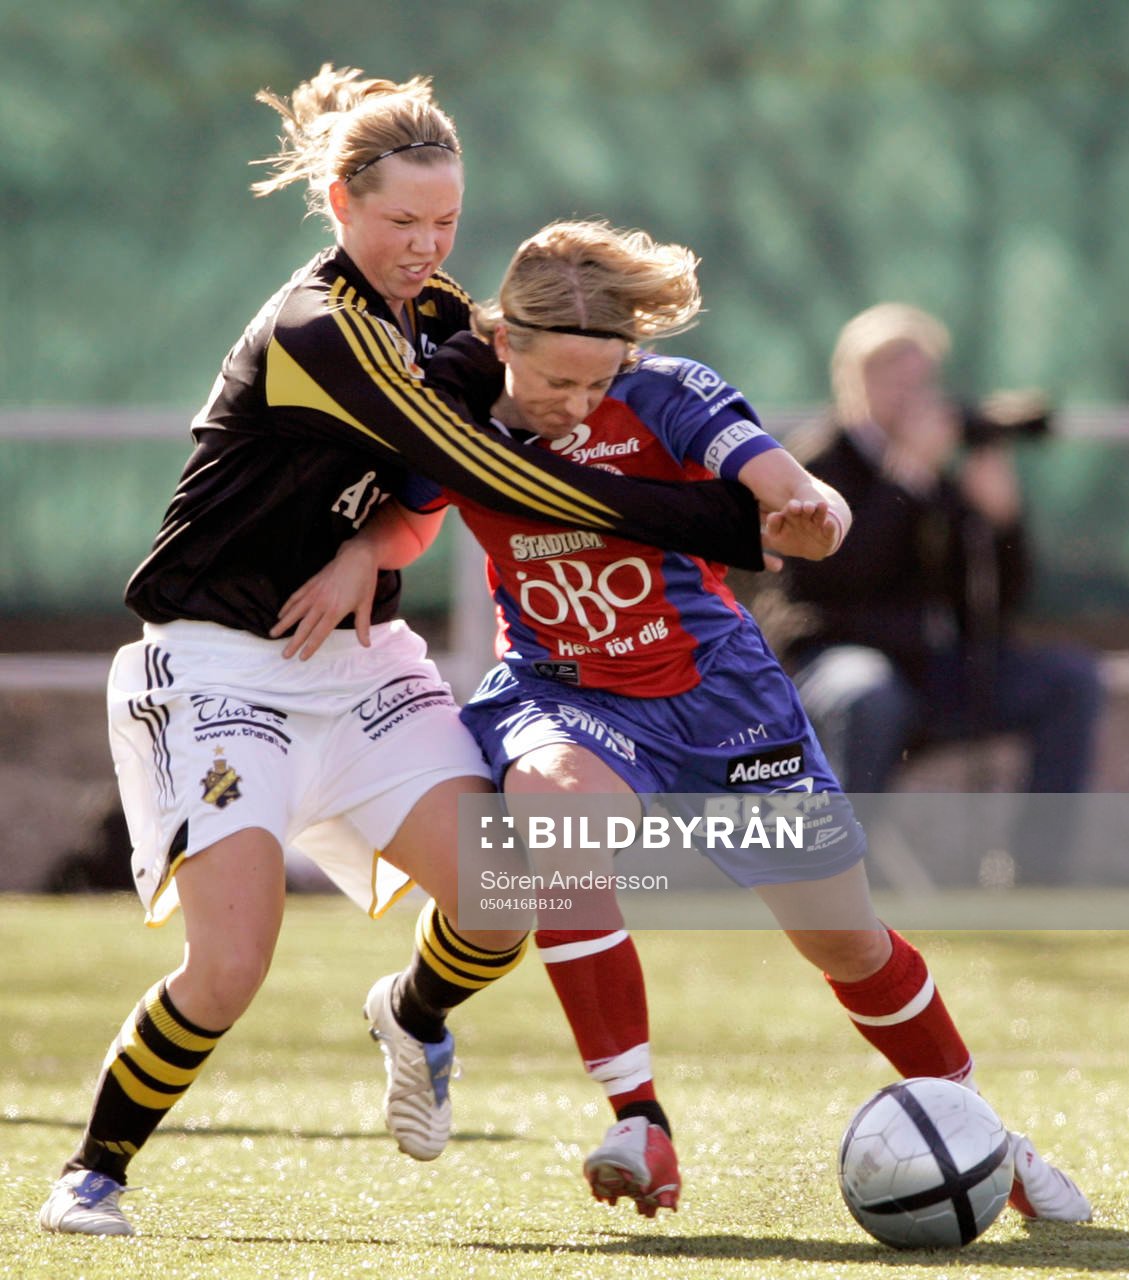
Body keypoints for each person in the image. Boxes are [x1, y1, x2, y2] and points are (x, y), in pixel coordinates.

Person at [37, 67, 772, 1240]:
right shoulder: (316, 328)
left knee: (506, 891)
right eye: (401, 222)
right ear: (340, 203)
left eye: (445, 222)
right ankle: (94, 1170)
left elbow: (471, 454)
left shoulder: (438, 319)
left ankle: (414, 1012)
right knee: (229, 967)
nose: (425, 246)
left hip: (360, 662)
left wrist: (365, 550)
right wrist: (728, 523)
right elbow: (482, 466)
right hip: (220, 670)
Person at [284, 222, 1092, 1225]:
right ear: (503, 341)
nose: (579, 404)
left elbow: (792, 489)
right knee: (555, 811)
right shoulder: (454, 413)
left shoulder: (670, 393)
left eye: (599, 381)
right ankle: (638, 1118)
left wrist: (813, 516)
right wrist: (364, 552)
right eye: (558, 381)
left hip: (722, 702)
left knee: (847, 942)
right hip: (564, 691)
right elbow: (410, 509)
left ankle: (991, 1141)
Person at [778, 303, 1104, 885]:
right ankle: (837, 876)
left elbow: (999, 597)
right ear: (852, 381)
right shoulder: (815, 465)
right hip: (844, 663)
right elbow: (830, 580)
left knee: (1070, 680)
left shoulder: (937, 472)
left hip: (939, 670)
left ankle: (1034, 874)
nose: (911, 397)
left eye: (920, 381)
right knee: (867, 692)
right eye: (892, 380)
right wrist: (904, 483)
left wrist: (1002, 523)